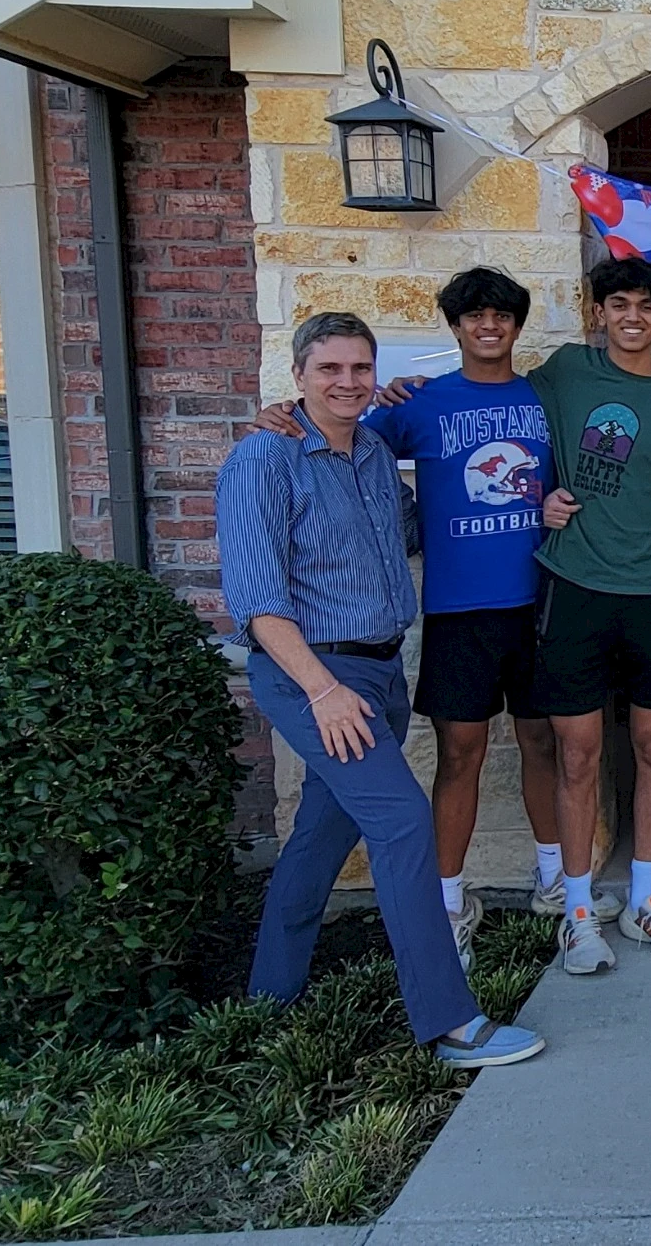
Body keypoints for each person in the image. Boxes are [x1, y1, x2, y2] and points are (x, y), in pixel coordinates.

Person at [249, 269, 611, 970]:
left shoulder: (545, 396)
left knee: (544, 745)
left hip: (542, 599)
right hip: (456, 609)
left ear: (516, 325)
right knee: (462, 752)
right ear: (454, 326)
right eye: (474, 316)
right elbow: (336, 431)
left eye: (502, 316)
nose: (489, 327)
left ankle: (551, 879)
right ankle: (447, 905)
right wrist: (281, 414)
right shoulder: (419, 404)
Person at [217, 311, 541, 1069]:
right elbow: (258, 601)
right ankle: (449, 1022)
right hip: (316, 675)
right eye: (330, 369)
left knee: (321, 835)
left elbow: (415, 529)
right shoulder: (264, 459)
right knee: (400, 825)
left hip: (380, 670)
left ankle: (268, 996)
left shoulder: (370, 449)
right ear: (297, 375)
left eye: (360, 369)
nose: (347, 382)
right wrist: (324, 692)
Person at [530, 255, 651, 975]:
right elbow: (494, 415)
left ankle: (644, 899)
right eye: (619, 304)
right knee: (577, 754)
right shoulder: (565, 371)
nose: (632, 316)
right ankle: (578, 912)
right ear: (598, 310)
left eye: (645, 306)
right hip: (575, 584)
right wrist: (536, 497)